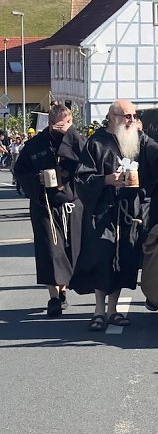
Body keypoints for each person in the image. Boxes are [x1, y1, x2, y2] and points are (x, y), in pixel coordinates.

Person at [70, 99, 158, 331]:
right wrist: (107, 180)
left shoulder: (137, 139)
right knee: (103, 258)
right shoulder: (96, 143)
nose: (131, 120)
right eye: (126, 116)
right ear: (112, 117)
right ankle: (99, 310)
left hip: (130, 211)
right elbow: (82, 178)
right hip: (103, 213)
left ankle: (113, 309)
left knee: (124, 260)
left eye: (133, 115)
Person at [13, 104, 87, 317]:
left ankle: (63, 289)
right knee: (49, 250)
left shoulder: (77, 140)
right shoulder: (35, 144)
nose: (59, 130)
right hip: (44, 204)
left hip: (71, 204)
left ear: (70, 121)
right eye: (56, 126)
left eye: (64, 125)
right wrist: (37, 181)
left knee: (70, 249)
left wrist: (70, 135)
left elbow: (90, 161)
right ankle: (54, 297)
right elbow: (20, 171)